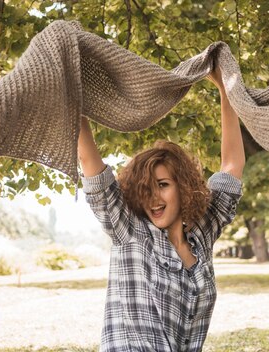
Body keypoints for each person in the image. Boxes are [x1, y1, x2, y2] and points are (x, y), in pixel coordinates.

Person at [77, 64, 245, 352]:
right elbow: (91, 165)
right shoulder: (129, 230)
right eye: (146, 189)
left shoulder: (202, 234)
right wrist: (73, 94)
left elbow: (232, 166)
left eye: (163, 184)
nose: (153, 198)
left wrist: (225, 90)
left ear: (183, 185)